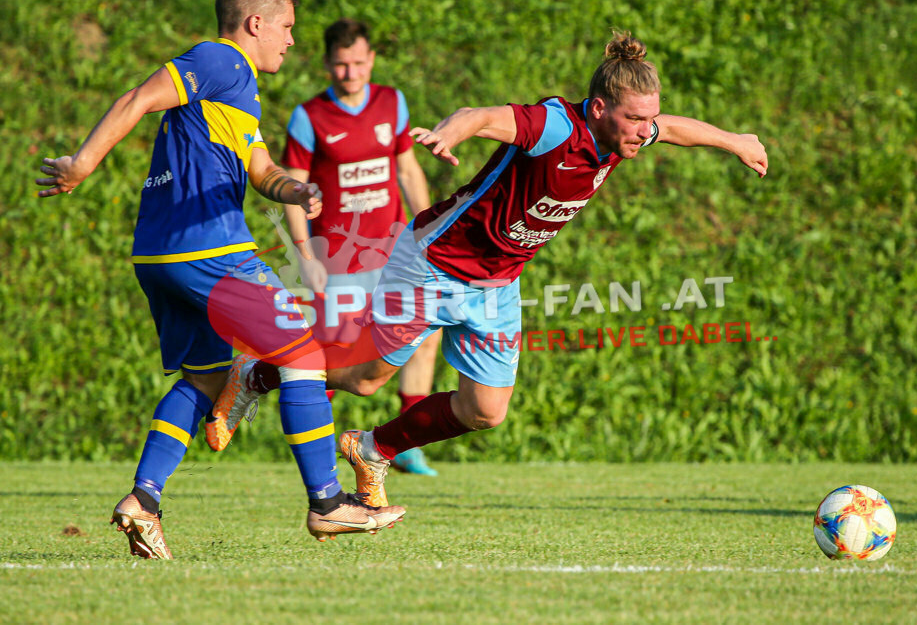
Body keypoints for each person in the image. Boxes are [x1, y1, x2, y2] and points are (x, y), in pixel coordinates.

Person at [214, 31, 767, 509]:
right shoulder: (556, 126)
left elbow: (674, 127)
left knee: (485, 409)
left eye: (650, 118)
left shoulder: (628, 133)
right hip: (434, 263)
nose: (647, 131)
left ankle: (372, 449)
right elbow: (485, 117)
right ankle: (257, 372)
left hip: (497, 280)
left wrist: (735, 141)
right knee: (364, 378)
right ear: (599, 108)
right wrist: (454, 131)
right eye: (636, 119)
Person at [35, 0, 403, 559]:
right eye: (286, 27)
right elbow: (138, 97)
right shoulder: (218, 61)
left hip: (161, 257)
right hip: (209, 252)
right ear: (255, 23)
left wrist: (295, 191)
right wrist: (82, 163)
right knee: (303, 353)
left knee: (206, 378)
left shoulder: (239, 92)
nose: (290, 40)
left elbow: (260, 171)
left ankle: (144, 502)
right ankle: (328, 502)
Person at [206, 19, 441, 477]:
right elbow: (293, 185)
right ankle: (319, 455)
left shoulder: (392, 103)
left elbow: (408, 170)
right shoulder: (309, 117)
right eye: (340, 65)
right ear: (328, 65)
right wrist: (305, 256)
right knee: (334, 358)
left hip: (394, 254)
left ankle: (405, 442)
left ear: (371, 59)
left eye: (357, 63)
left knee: (424, 334)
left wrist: (429, 230)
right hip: (338, 260)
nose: (350, 73)